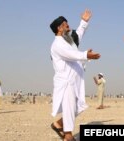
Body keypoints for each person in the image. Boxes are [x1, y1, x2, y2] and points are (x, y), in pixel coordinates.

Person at [49, 9, 100, 141]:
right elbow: (71, 55)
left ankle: (58, 124)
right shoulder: (57, 44)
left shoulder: (68, 41)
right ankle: (68, 135)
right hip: (66, 82)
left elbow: (78, 36)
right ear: (59, 28)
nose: (68, 26)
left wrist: (84, 21)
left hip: (74, 81)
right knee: (69, 106)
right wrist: (86, 55)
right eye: (66, 24)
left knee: (78, 106)